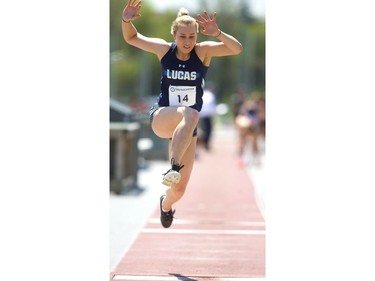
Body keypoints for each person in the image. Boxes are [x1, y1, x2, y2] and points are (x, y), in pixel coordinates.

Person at [122, 0, 243, 228]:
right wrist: (126, 20)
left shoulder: (203, 51)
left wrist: (217, 32)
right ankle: (174, 168)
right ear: (174, 35)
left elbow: (237, 49)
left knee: (179, 190)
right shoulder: (163, 50)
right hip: (163, 117)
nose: (187, 42)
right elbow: (131, 38)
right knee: (191, 112)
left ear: (197, 36)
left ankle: (166, 205)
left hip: (188, 126)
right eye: (182, 37)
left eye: (191, 37)